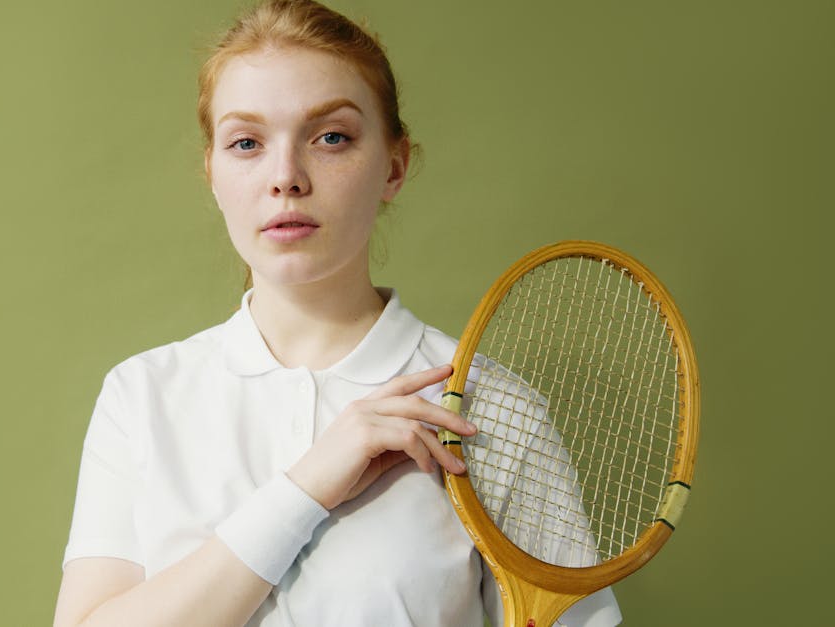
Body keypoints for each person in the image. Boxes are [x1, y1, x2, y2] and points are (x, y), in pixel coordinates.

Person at [53, 1, 622, 625]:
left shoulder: (488, 409)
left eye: (331, 138)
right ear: (212, 172)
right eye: (247, 143)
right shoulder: (142, 398)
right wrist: (306, 488)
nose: (286, 177)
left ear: (394, 167)